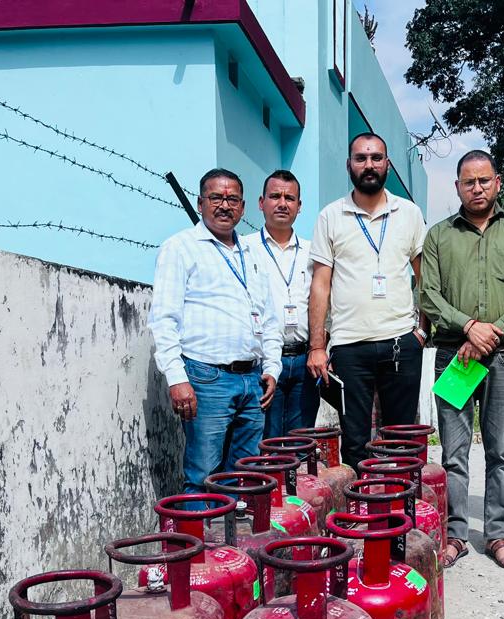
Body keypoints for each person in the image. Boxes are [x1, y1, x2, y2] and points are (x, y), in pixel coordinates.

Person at [420, 150, 504, 572]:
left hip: (503, 356)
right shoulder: (438, 235)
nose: (477, 188)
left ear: (497, 182)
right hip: (454, 357)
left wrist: (491, 333)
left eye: (484, 180)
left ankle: (497, 535)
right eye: (468, 182)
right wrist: (469, 326)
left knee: (500, 450)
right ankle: (455, 534)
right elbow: (428, 295)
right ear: (457, 187)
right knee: (454, 452)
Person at [148, 168, 280, 492]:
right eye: (216, 197)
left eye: (232, 199)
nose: (224, 205)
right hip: (207, 379)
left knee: (246, 475)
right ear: (200, 203)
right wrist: (177, 379)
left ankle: (235, 528)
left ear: (243, 207)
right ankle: (198, 526)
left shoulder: (252, 254)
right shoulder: (181, 248)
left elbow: (270, 319)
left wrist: (272, 367)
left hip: (253, 380)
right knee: (203, 475)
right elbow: (164, 319)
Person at [307, 132, 428, 469]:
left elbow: (425, 277)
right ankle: (361, 501)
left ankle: (401, 500)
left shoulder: (409, 213)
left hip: (400, 342)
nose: (369, 165)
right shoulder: (331, 216)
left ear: (387, 163)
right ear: (349, 165)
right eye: (361, 158)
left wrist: (421, 332)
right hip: (349, 346)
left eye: (376, 158)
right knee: (355, 443)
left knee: (401, 439)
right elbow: (320, 284)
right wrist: (317, 346)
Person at [242, 170, 317, 437]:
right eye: (275, 196)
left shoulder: (313, 252)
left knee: (301, 442)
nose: (282, 203)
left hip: (305, 361)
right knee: (266, 441)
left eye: (289, 198)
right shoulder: (244, 249)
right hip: (262, 362)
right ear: (261, 203)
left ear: (299, 205)